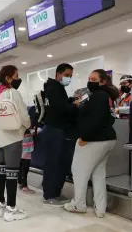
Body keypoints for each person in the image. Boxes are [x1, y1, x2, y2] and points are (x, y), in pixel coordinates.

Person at [64, 69, 118, 217]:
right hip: (108, 139)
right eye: (89, 78)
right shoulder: (107, 96)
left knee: (79, 171)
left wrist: (84, 137)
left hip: (95, 139)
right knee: (98, 174)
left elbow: (95, 119)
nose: (90, 81)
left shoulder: (98, 96)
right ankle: (100, 209)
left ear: (103, 81)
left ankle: (78, 204)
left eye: (94, 79)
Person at [0, 65, 30, 222]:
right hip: (12, 138)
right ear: (8, 78)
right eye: (16, 76)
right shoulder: (13, 93)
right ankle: (11, 209)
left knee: (0, 172)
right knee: (12, 173)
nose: (17, 79)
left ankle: (0, 206)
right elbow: (24, 116)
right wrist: (27, 125)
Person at [42, 63, 79, 206]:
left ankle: (55, 192)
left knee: (60, 162)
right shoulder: (54, 89)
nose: (69, 78)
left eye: (70, 76)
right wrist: (75, 106)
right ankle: (50, 194)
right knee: (54, 163)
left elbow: (59, 105)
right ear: (58, 74)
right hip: (55, 130)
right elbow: (61, 109)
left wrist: (70, 101)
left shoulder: (55, 88)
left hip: (57, 130)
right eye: (67, 75)